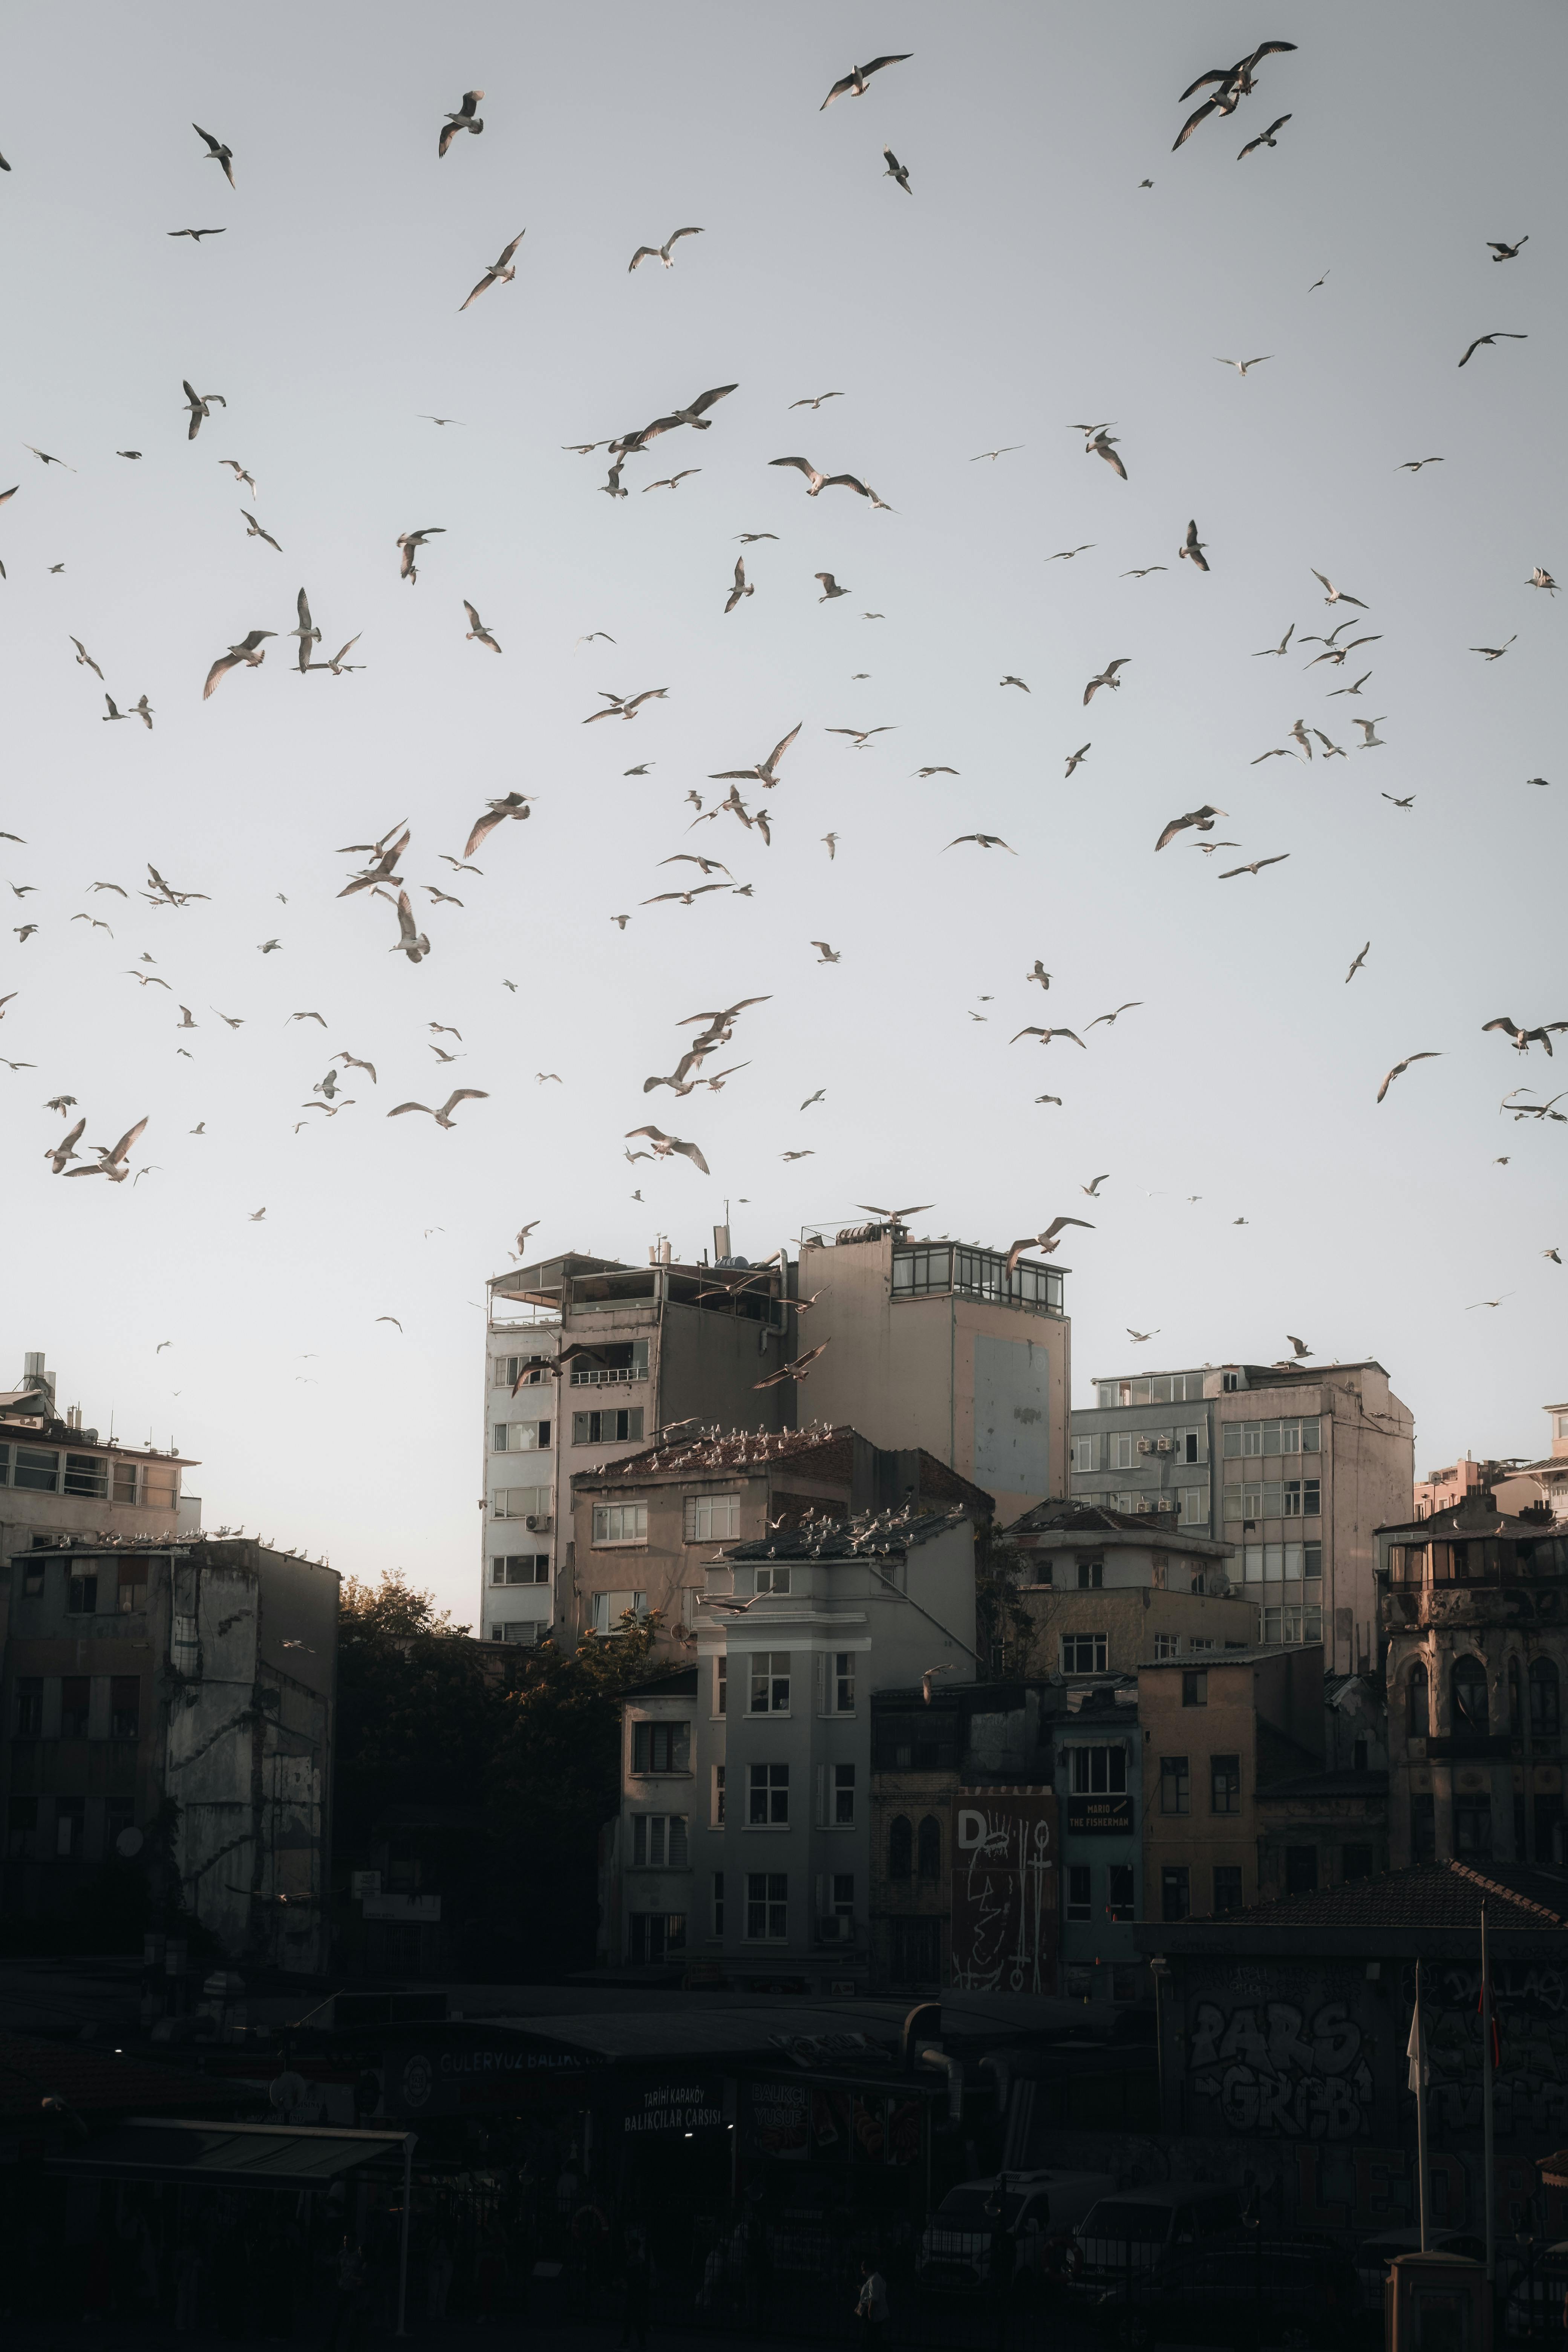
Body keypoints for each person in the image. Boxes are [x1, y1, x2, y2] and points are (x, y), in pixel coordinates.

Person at [620, 2236, 652, 2350]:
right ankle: (632, 2342)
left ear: (632, 2248)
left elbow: (630, 2280)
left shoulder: (631, 2263)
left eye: (628, 2245)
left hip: (632, 2294)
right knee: (634, 2318)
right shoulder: (640, 2263)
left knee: (632, 2318)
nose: (627, 2247)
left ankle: (627, 2342)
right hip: (637, 2294)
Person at [856, 2258, 889, 2350]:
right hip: (877, 2315)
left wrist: (870, 2314)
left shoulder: (874, 2280)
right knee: (874, 2338)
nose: (863, 2273)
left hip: (874, 2315)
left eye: (864, 2270)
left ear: (869, 2270)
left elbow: (873, 2298)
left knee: (869, 2338)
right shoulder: (876, 2278)